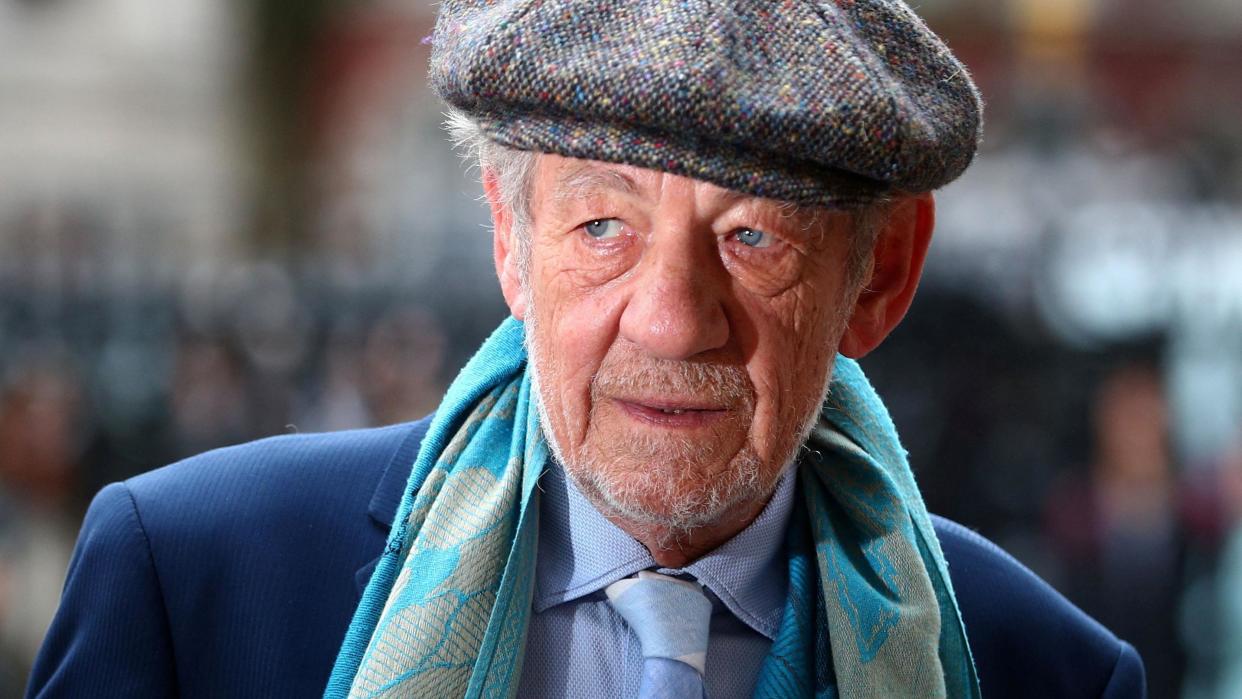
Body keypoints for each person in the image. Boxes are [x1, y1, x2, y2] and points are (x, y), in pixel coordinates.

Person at [28, 1, 1146, 697]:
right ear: (511, 240)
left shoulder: (1039, 671)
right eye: (602, 226)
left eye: (752, 238)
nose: (668, 318)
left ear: (882, 276)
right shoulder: (190, 582)